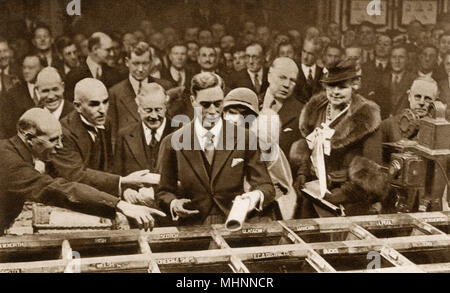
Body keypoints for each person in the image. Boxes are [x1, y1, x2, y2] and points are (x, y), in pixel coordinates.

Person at [0, 108, 166, 235]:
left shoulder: (11, 152)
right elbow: (61, 190)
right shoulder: (11, 163)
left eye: (60, 138)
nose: (59, 146)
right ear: (29, 139)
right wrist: (120, 204)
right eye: (53, 140)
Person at [156, 72, 275, 226]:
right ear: (193, 101)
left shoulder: (245, 138)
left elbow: (266, 187)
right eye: (205, 104)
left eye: (218, 104)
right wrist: (173, 204)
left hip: (233, 224)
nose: (212, 111)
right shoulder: (172, 142)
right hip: (192, 227)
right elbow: (163, 192)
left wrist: (253, 197)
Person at [290, 59, 387, 218]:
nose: (335, 92)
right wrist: (303, 172)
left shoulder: (366, 117)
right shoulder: (316, 110)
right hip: (313, 196)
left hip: (348, 202)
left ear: (354, 86)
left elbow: (372, 173)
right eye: (331, 86)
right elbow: (310, 147)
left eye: (342, 87)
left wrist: (341, 194)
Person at [51, 78, 158, 197]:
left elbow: (107, 167)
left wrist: (124, 190)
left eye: (105, 102)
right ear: (77, 106)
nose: (102, 110)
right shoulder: (62, 132)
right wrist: (122, 181)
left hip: (96, 196)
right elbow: (76, 175)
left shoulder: (106, 123)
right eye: (94, 104)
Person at [223, 88, 297, 220]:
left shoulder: (263, 145)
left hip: (260, 209)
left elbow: (283, 184)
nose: (235, 119)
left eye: (244, 115)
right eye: (231, 112)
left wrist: (258, 196)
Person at [108, 42, 173, 137]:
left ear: (152, 62)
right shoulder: (115, 92)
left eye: (145, 63)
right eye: (136, 63)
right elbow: (113, 134)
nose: (140, 69)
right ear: (127, 62)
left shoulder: (165, 87)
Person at [114, 83, 176, 176]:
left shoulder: (181, 133)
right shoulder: (124, 136)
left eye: (158, 109)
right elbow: (118, 176)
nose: (154, 116)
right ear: (138, 108)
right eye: (148, 110)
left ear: (165, 107)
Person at [380, 77, 439, 156]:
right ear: (409, 96)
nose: (421, 102)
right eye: (417, 97)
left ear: (435, 101)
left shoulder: (440, 131)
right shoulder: (388, 125)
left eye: (427, 99)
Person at [261, 57, 303, 164]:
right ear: (269, 76)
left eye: (292, 80)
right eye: (282, 77)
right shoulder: (251, 103)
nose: (286, 85)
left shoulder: (301, 111)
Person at [64, 32, 123, 102]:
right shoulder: (74, 75)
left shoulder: (115, 74)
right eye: (108, 50)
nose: (112, 54)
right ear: (95, 49)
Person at [0, 54, 44, 139]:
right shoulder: (13, 94)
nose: (26, 71)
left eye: (30, 68)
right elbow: (7, 127)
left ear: (41, 69)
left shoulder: (49, 89)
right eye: (24, 67)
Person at [296, 39, 324, 104]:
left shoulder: (323, 73)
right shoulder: (293, 69)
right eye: (304, 51)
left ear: (318, 55)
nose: (305, 57)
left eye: (310, 53)